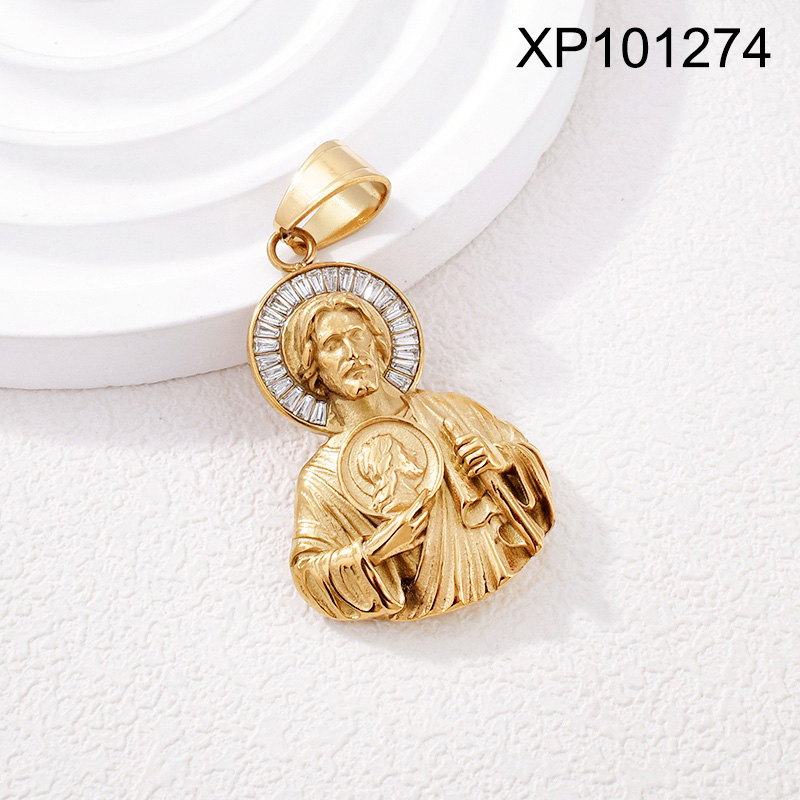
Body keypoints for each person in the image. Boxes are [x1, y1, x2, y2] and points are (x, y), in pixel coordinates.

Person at [288, 293, 554, 620]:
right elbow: (309, 571)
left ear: (378, 344)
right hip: (422, 592)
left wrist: (502, 460)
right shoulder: (323, 477)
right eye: (332, 345)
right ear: (313, 366)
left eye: (357, 335)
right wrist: (375, 551)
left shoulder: (449, 409)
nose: (352, 352)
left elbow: (522, 453)